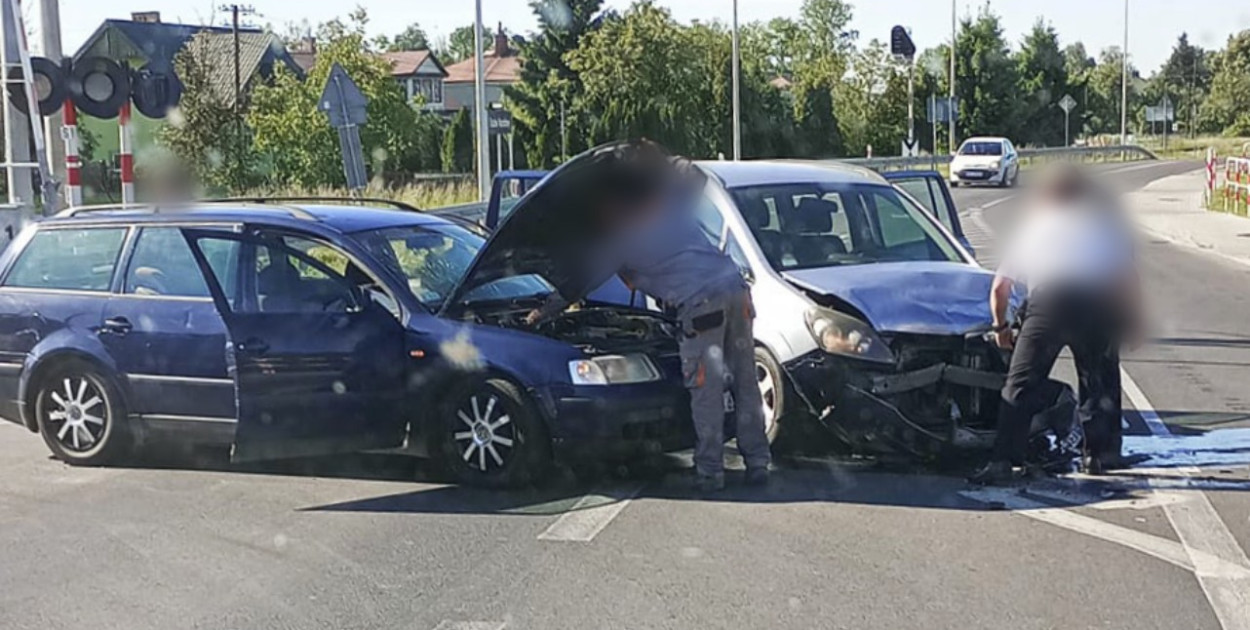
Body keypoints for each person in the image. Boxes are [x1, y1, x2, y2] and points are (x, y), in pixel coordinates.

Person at [527, 141, 771, 492]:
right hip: (735, 289)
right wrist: (658, 161)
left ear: (610, 206)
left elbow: (578, 285)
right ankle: (758, 462)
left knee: (707, 389)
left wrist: (542, 312)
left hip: (701, 306)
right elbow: (695, 174)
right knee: (746, 381)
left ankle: (709, 473)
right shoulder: (664, 199)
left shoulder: (619, 239)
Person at [971, 163, 1141, 484]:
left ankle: (1003, 462)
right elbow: (1126, 280)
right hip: (1094, 306)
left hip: (1048, 305)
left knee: (1019, 385)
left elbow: (1000, 288)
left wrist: (1001, 328)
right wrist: (1133, 321)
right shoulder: (1102, 224)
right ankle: (1099, 456)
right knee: (1099, 383)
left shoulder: (1034, 227)